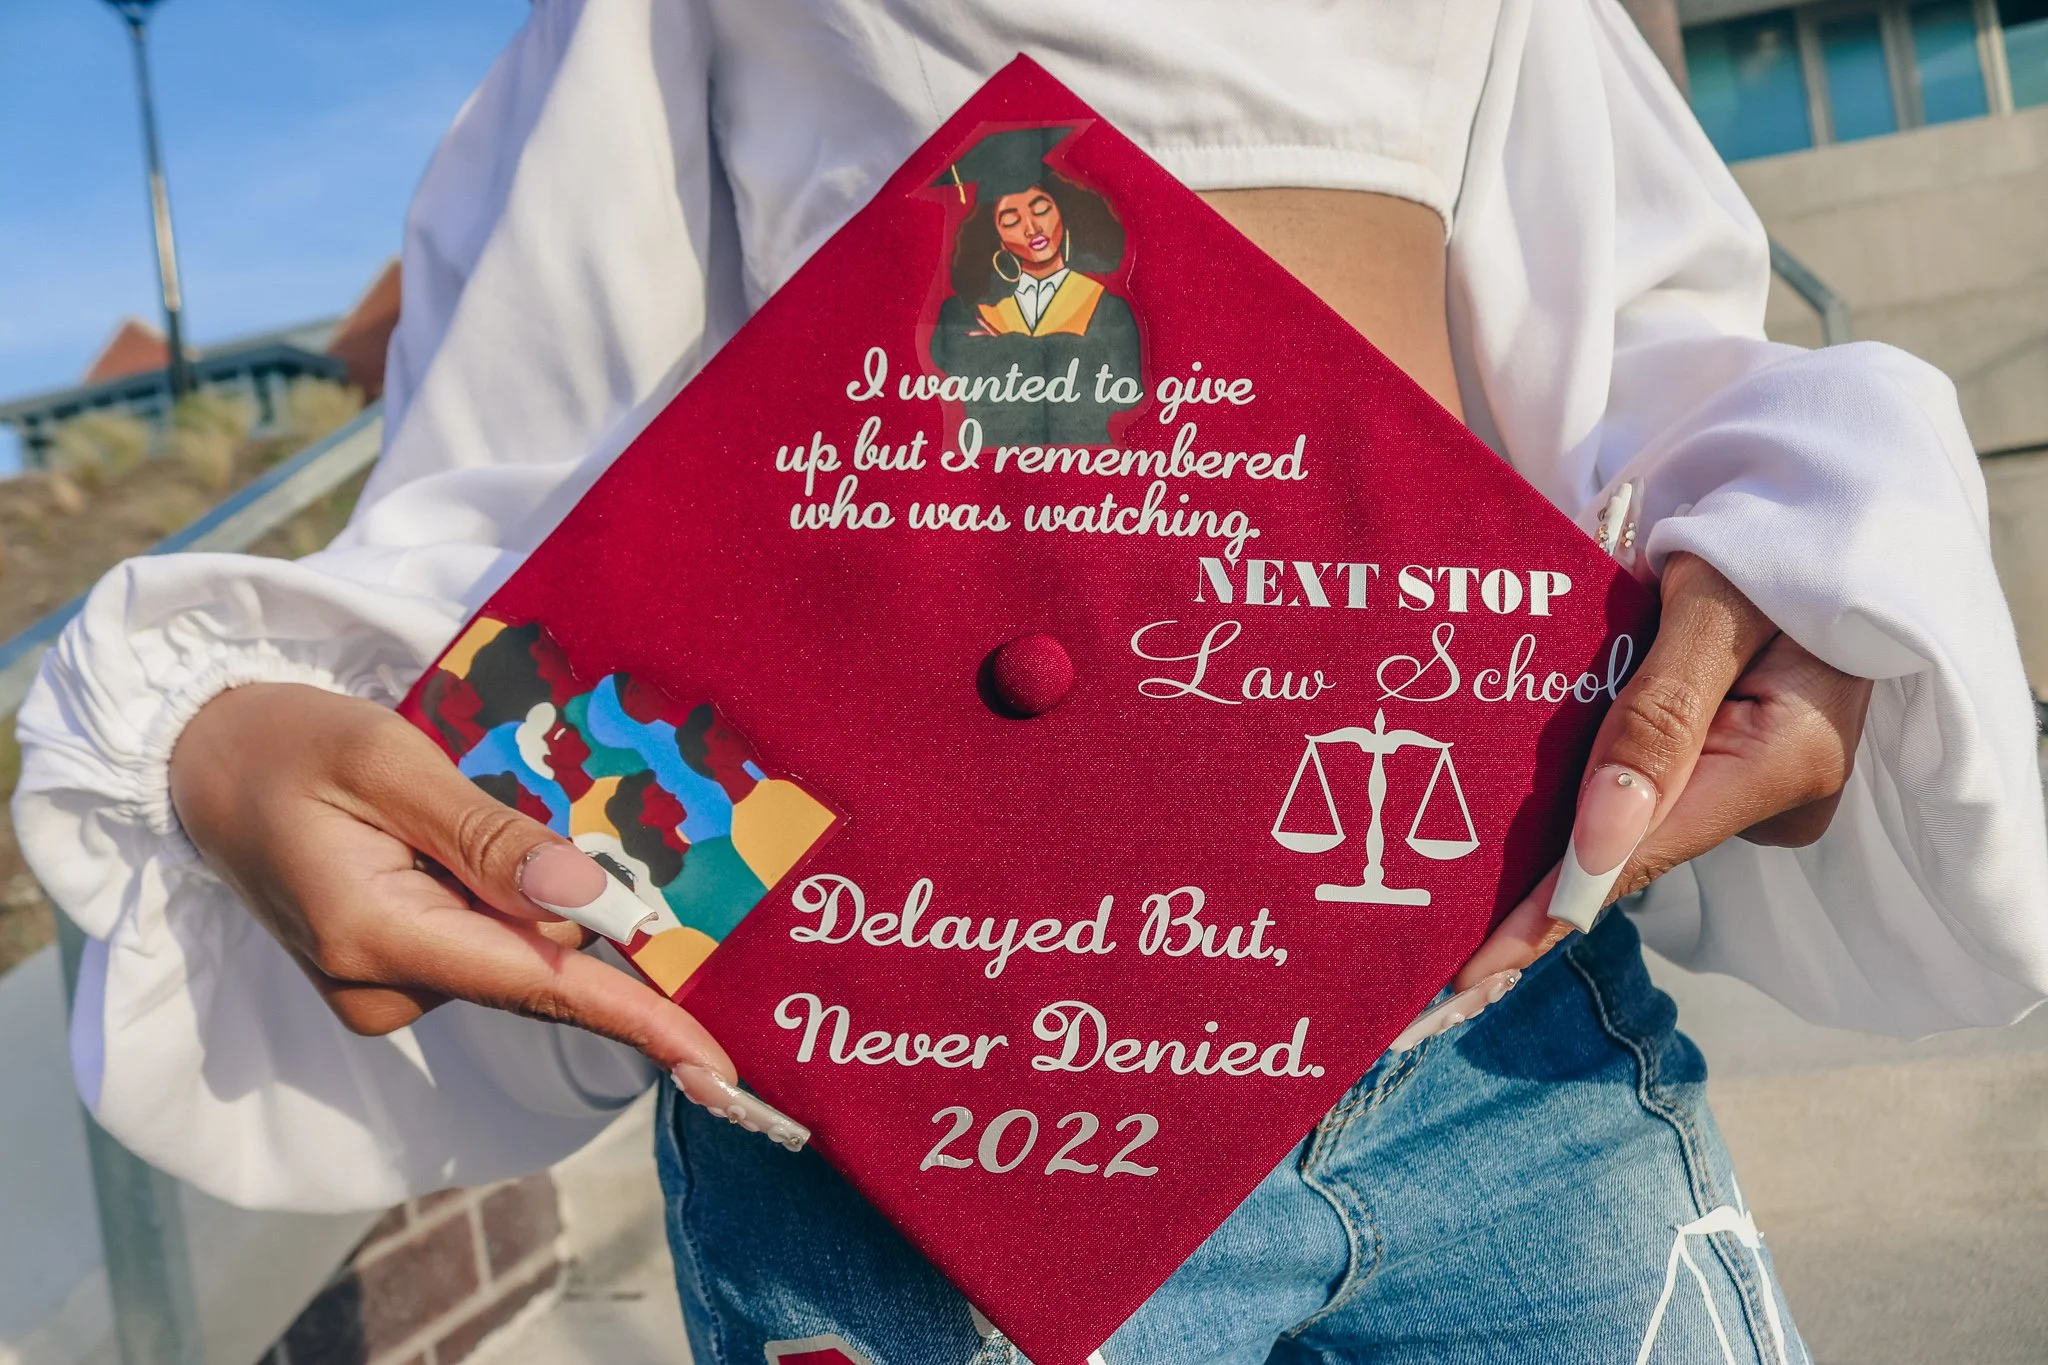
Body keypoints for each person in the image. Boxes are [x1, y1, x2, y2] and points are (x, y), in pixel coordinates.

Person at [14, 2, 2047, 1362]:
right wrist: (239, 739)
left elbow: (1638, 366)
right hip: (922, 1113)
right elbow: (532, 472)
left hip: (1478, 1031)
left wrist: (1772, 570)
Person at [926, 126, 1143, 444]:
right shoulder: (967, 312)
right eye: (1011, 220)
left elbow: (1128, 394)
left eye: (1042, 209)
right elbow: (949, 378)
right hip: (991, 474)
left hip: (1087, 470)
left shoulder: (1108, 308)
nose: (1032, 227)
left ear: (1065, 214)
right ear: (995, 237)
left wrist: (1003, 351)